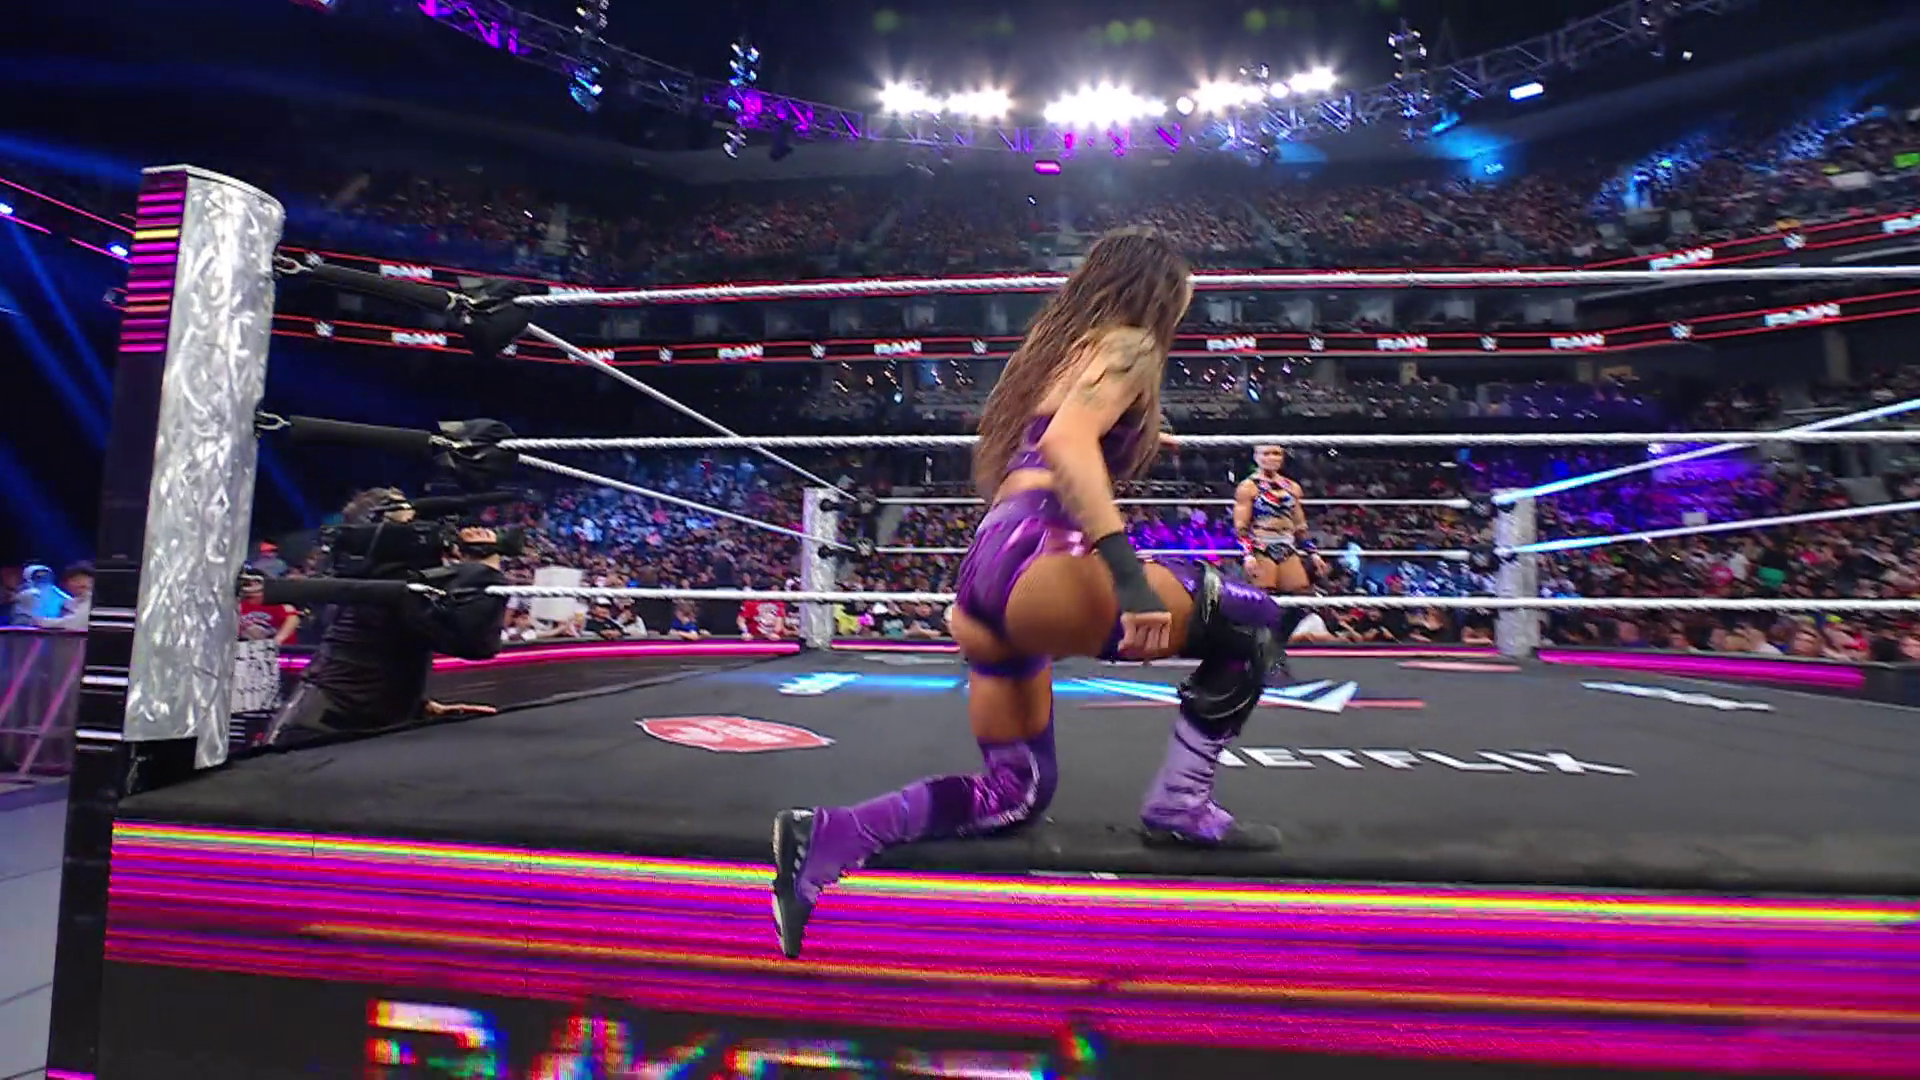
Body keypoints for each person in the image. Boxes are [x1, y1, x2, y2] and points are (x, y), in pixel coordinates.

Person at [770, 229, 1296, 959]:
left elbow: (1062, 431)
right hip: (1043, 557)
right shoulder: (1131, 344)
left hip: (988, 565)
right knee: (1250, 618)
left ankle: (831, 833)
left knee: (1014, 793)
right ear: (1160, 290)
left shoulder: (1062, 351)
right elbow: (1068, 444)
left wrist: (1143, 434)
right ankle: (1181, 804)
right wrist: (1130, 579)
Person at [1234, 446, 1321, 661]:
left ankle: (1277, 642)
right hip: (1262, 545)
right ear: (1256, 457)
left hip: (1287, 545)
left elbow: (1300, 525)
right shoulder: (1248, 487)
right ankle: (1251, 649)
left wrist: (1313, 553)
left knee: (1303, 597)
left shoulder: (1292, 487)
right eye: (1266, 453)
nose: (1271, 458)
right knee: (1261, 599)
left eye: (1276, 454)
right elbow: (1240, 526)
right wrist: (1248, 554)